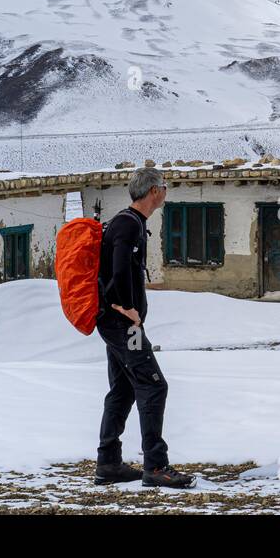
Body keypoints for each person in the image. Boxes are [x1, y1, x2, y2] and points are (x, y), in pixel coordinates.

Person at [92, 166, 194, 488]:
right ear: (153, 191)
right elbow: (119, 271)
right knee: (153, 385)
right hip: (125, 327)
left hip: (116, 324)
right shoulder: (128, 225)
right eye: (164, 186)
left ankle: (108, 463)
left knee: (123, 390)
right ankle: (156, 466)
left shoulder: (129, 222)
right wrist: (126, 307)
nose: (166, 190)